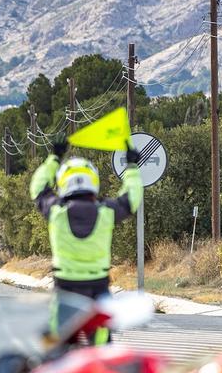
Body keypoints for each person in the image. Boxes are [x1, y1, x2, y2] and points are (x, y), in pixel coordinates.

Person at [30, 140, 143, 344]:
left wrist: (54, 158)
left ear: (63, 181)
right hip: (98, 287)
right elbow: (132, 198)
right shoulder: (107, 212)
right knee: (101, 345)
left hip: (65, 287)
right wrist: (132, 167)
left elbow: (38, 188)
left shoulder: (56, 212)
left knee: (57, 344)